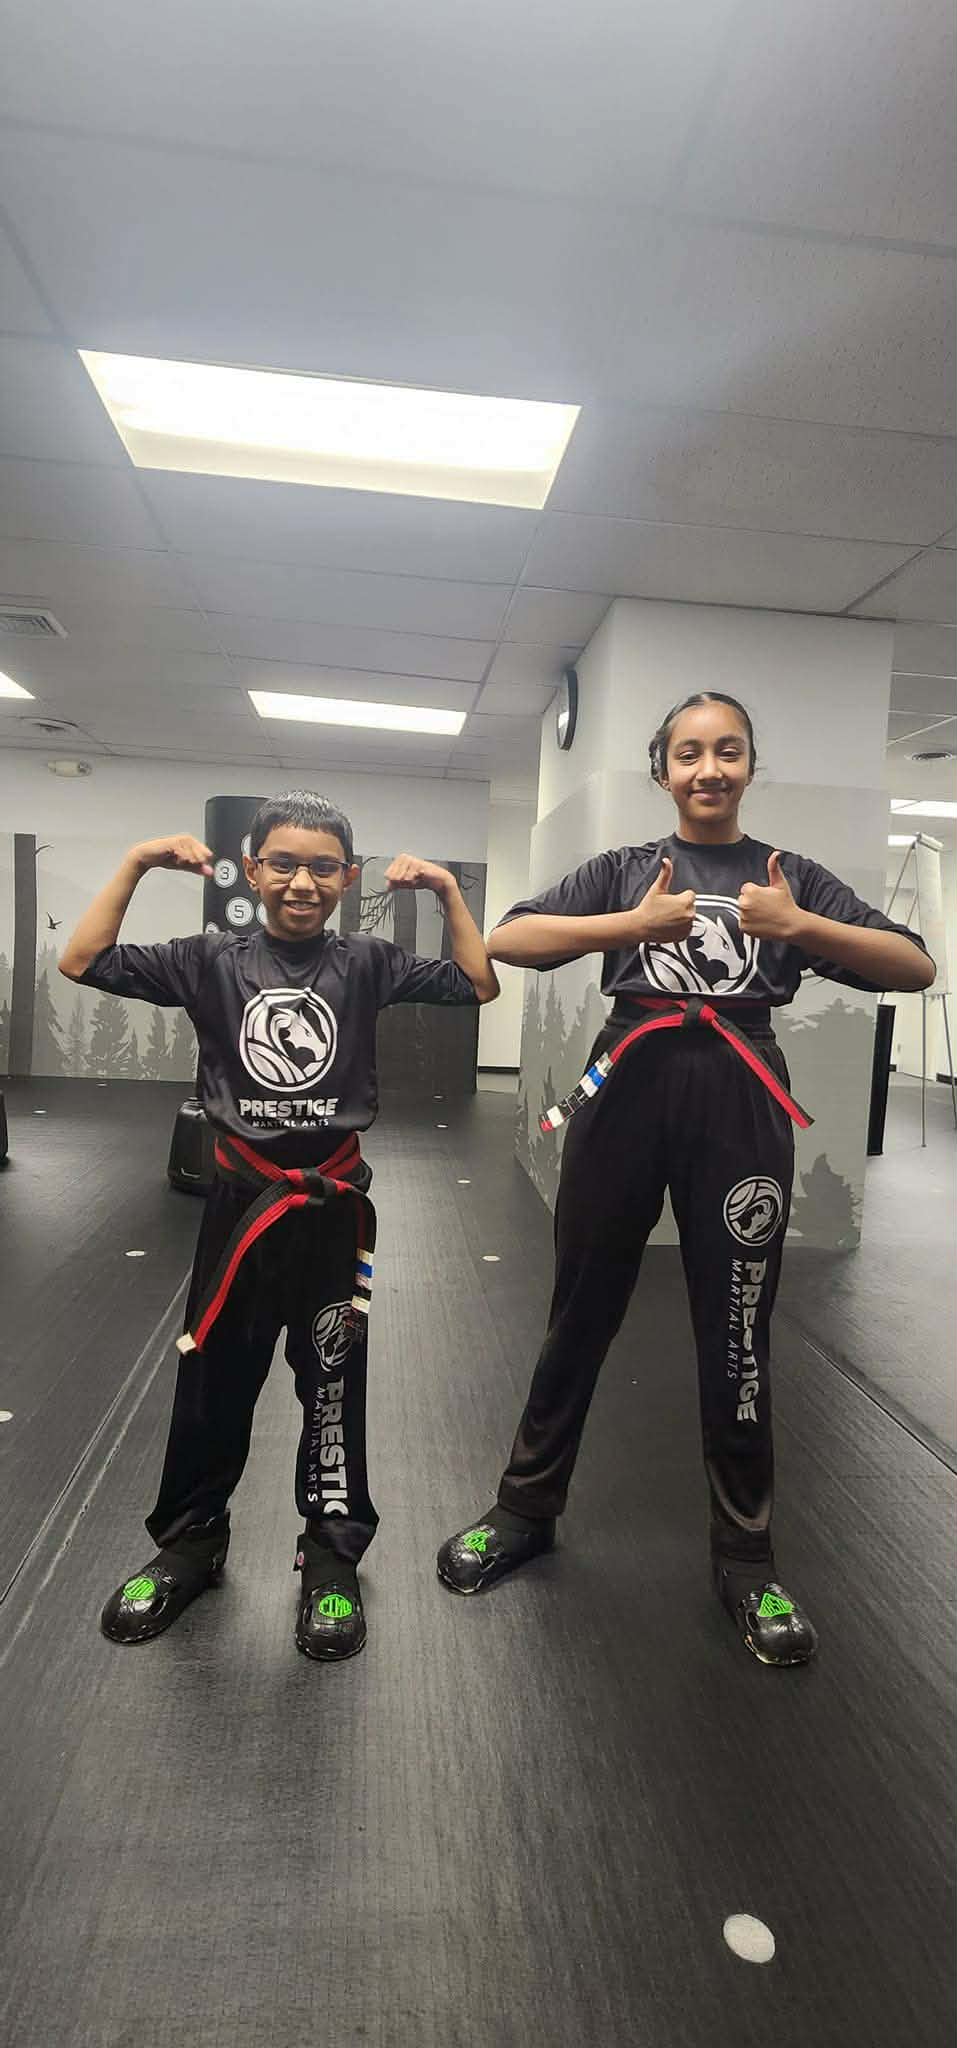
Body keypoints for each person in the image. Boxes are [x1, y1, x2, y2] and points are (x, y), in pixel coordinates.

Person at [436, 693, 934, 1666]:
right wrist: (633, 922)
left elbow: (911, 966)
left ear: (748, 766)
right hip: (625, 1080)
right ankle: (525, 1508)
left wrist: (799, 924)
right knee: (581, 1306)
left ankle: (746, 1557)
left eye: (728, 751)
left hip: (741, 1093)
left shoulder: (788, 875)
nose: (709, 768)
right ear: (663, 769)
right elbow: (508, 939)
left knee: (737, 1325)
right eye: (690, 753)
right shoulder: (625, 868)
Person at [59, 792, 498, 1661]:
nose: (303, 883)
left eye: (323, 867)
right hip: (240, 1207)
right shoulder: (208, 960)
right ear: (252, 871)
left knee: (331, 1378)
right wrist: (138, 862)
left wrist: (450, 892)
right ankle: (190, 1544)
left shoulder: (367, 960)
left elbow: (477, 983)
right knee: (214, 1373)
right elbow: (81, 960)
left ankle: (330, 1555)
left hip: (332, 1207)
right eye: (284, 864)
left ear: (348, 877)